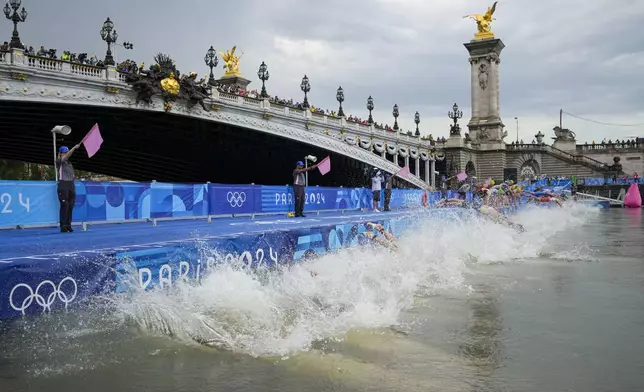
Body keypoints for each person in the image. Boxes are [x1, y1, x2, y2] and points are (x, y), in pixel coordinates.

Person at [56, 144, 80, 232]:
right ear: (60, 154)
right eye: (64, 153)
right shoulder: (59, 161)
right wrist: (74, 148)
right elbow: (66, 157)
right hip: (63, 184)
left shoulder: (69, 163)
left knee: (70, 205)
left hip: (71, 184)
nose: (66, 154)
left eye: (66, 152)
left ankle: (68, 224)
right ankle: (63, 225)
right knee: (64, 205)